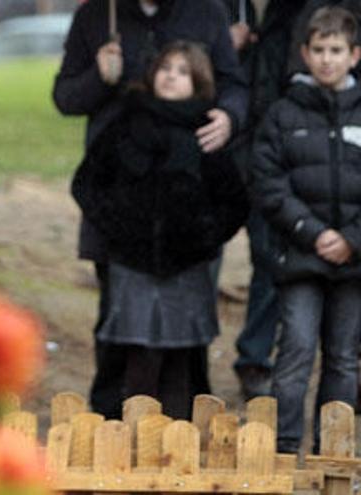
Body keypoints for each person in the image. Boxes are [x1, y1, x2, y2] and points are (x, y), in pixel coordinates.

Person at [53, 0, 248, 419]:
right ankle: (111, 421)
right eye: (166, 71)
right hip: (121, 206)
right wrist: (99, 78)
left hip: (190, 222)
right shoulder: (95, 16)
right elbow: (65, 98)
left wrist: (229, 117)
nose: (171, 77)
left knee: (187, 337)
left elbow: (234, 84)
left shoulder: (207, 13)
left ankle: (183, 427)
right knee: (120, 327)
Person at [253, 6, 361, 453]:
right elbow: (268, 181)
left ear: (354, 55)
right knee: (295, 351)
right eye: (319, 50)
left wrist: (351, 240)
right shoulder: (283, 114)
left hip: (354, 261)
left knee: (343, 358)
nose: (327, 59)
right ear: (304, 53)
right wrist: (313, 232)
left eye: (336, 50)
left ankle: (332, 450)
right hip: (301, 256)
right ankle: (283, 448)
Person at [220, 0, 307, 400]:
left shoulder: (298, 12)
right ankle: (184, 362)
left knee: (270, 257)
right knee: (202, 259)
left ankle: (254, 359)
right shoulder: (221, 9)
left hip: (276, 152)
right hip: (221, 141)